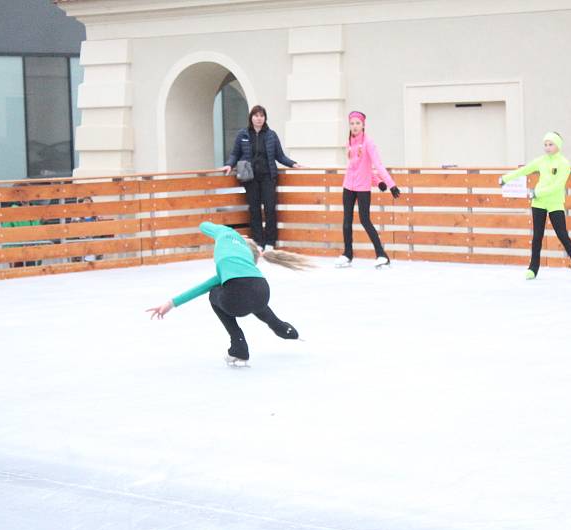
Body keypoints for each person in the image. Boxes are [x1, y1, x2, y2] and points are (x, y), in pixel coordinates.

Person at [146, 221, 314, 366]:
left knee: (215, 293)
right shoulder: (247, 260)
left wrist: (170, 303)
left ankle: (238, 344)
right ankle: (282, 327)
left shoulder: (225, 233)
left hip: (236, 299)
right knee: (249, 293)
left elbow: (203, 225)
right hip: (263, 290)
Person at [499, 131, 571, 281]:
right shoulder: (541, 161)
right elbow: (524, 170)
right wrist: (506, 178)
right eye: (545, 144)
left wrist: (537, 193)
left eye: (550, 144)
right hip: (538, 203)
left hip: (554, 203)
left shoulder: (564, 163)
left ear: (558, 145)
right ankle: (533, 268)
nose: (547, 147)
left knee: (562, 235)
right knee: (537, 237)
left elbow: (557, 185)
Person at [219, 105, 303, 252]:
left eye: (262, 116)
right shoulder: (243, 134)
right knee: (255, 210)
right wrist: (228, 165)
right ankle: (258, 242)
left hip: (268, 177)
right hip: (250, 178)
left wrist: (293, 164)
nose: (259, 118)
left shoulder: (271, 135)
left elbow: (280, 156)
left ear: (265, 118)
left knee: (270, 209)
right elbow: (235, 154)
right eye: (256, 115)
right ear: (251, 118)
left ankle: (270, 242)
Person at [335, 111, 400, 268]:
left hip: (363, 188)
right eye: (352, 123)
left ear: (363, 125)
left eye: (358, 123)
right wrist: (377, 181)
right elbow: (357, 167)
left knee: (365, 220)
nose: (355, 126)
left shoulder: (369, 143)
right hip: (348, 186)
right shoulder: (349, 142)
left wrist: (390, 184)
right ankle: (347, 254)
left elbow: (376, 165)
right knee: (346, 221)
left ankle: (382, 255)